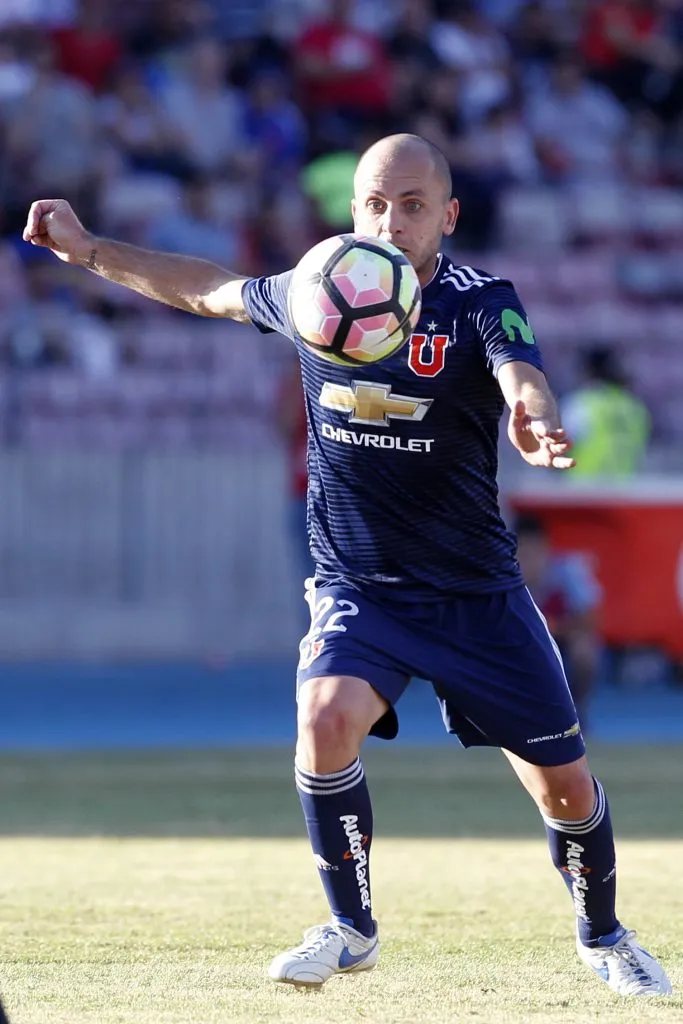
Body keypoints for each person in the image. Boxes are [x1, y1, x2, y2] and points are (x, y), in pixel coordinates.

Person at [23, 133, 672, 998]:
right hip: (360, 586)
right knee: (325, 718)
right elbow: (211, 291)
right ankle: (350, 927)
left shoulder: (480, 301)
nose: (389, 220)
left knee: (562, 787)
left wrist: (532, 413)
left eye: (411, 205)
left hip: (477, 595)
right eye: (374, 202)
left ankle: (603, 936)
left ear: (447, 214)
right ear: (353, 208)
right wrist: (92, 251)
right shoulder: (317, 289)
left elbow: (521, 370)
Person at [514, 513, 601, 730]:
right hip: (518, 643)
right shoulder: (502, 576)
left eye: (533, 551)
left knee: (584, 651)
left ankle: (576, 711)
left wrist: (554, 628)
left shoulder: (567, 570)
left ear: (545, 547)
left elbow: (590, 619)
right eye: (522, 552)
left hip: (559, 640)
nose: (529, 559)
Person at [560, 345, 651, 478]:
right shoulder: (634, 407)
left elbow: (558, 449)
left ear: (587, 371)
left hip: (583, 489)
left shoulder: (581, 403)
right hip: (625, 489)